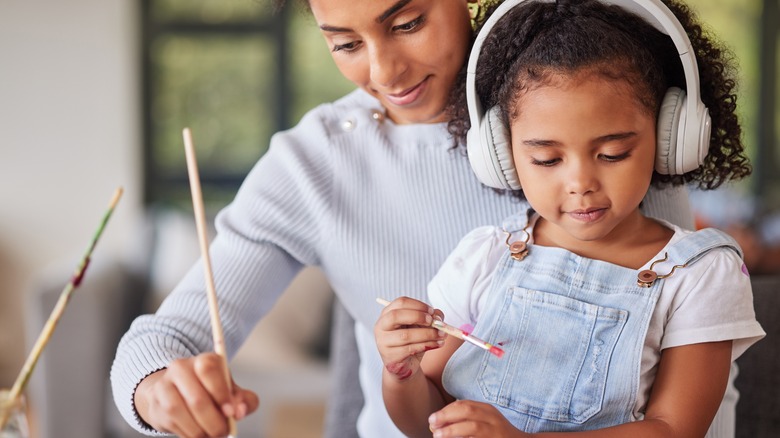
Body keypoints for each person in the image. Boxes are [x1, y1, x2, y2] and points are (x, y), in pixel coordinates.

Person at [110, 1, 697, 437]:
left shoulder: (597, 113)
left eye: (408, 23)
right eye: (345, 44)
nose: (385, 73)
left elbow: (693, 382)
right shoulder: (313, 165)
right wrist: (159, 391)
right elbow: (162, 340)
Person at [374, 0, 765, 437]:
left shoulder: (699, 273)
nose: (580, 182)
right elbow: (427, 422)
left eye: (612, 154)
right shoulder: (484, 256)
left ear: (669, 135)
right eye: (546, 159)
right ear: (501, 154)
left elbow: (674, 429)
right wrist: (400, 372)